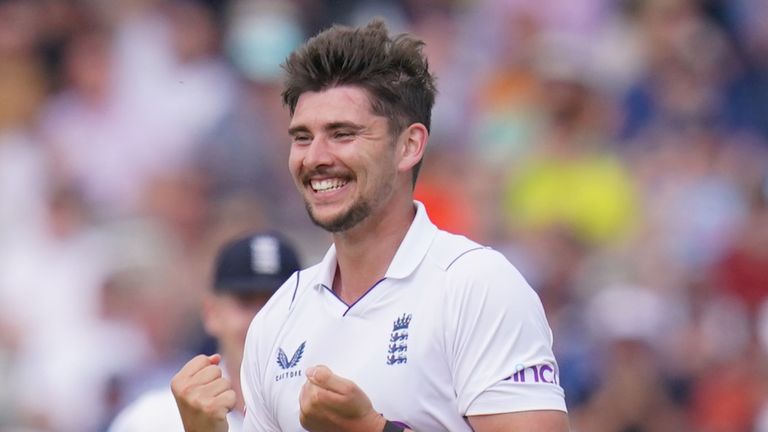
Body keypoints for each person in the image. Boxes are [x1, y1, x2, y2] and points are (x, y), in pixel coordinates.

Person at [172, 19, 569, 432]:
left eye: (342, 134)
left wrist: (373, 430)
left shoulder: (477, 285)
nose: (315, 157)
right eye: (302, 137)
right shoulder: (278, 316)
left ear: (409, 145)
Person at [109, 231, 301, 432]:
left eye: (276, 303)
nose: (260, 320)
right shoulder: (151, 421)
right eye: (245, 302)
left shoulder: (322, 411)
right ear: (212, 313)